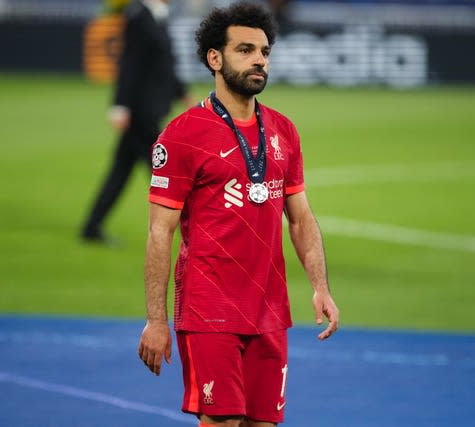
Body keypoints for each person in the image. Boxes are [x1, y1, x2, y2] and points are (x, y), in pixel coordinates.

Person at [137, 2, 339, 426]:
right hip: (209, 311)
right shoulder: (182, 135)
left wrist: (320, 286)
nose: (259, 60)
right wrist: (156, 321)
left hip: (269, 311)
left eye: (264, 51)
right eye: (245, 49)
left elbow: (300, 218)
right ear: (215, 58)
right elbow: (160, 233)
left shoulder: (284, 130)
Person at [81, 0, 190, 243]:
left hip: (149, 109)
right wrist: (120, 106)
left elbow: (163, 61)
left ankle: (91, 226)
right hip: (142, 113)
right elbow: (130, 64)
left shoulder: (155, 16)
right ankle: (194, 226)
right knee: (164, 171)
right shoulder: (139, 17)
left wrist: (181, 91)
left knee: (121, 171)